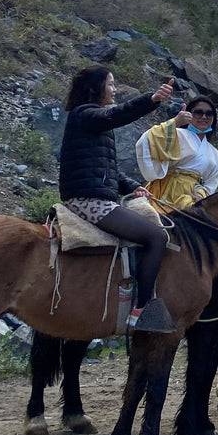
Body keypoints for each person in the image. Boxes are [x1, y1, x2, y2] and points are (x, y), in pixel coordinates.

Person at [59, 67, 176, 332]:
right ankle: (142, 310)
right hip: (90, 202)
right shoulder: (86, 114)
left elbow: (109, 169)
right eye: (111, 84)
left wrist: (134, 186)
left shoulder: (90, 121)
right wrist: (152, 99)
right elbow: (116, 115)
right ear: (94, 88)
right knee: (157, 237)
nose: (114, 89)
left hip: (96, 198)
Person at [135, 96, 218, 209]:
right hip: (166, 189)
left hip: (192, 196)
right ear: (189, 114)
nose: (204, 117)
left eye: (209, 114)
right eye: (198, 112)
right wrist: (176, 121)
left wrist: (202, 195)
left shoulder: (213, 152)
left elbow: (211, 181)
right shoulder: (176, 134)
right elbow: (149, 138)